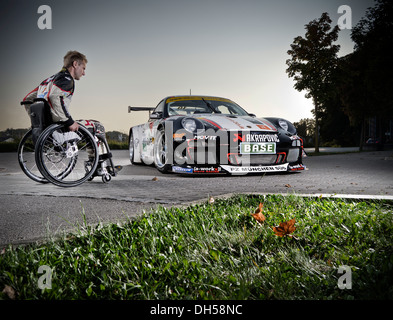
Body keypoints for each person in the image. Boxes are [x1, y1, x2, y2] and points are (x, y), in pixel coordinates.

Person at [22, 50, 88, 132]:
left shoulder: (49, 80)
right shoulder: (66, 79)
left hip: (46, 127)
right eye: (83, 68)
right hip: (59, 127)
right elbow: (54, 97)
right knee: (97, 126)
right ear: (75, 64)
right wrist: (69, 121)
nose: (84, 73)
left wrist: (37, 122)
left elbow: (27, 99)